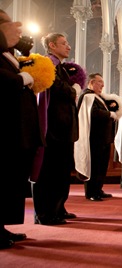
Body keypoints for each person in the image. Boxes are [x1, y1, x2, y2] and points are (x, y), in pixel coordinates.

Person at [0, 9, 43, 249]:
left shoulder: (7, 54)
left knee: (11, 179)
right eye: (11, 28)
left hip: (17, 127)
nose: (18, 33)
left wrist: (24, 58)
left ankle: (2, 226)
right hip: (7, 128)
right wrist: (22, 78)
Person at [31, 32, 80, 225]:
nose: (68, 46)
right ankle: (44, 213)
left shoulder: (61, 67)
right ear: (52, 45)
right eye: (64, 43)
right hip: (52, 129)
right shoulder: (47, 65)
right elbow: (60, 90)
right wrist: (74, 89)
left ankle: (58, 207)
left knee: (61, 171)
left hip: (63, 129)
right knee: (48, 172)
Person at [74, 73, 122, 200]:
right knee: (95, 166)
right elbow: (93, 113)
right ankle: (91, 192)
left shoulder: (98, 98)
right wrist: (109, 114)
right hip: (94, 138)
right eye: (99, 82)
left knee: (102, 166)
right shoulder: (88, 96)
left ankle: (98, 189)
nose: (102, 85)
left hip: (103, 138)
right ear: (91, 82)